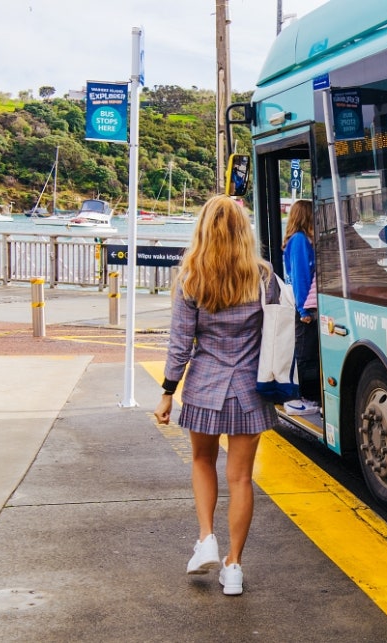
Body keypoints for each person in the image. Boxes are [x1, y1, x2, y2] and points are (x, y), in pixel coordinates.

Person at [153, 194, 278, 596]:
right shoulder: (262, 276)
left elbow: (179, 343)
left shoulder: (191, 276)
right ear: (244, 231)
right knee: (241, 478)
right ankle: (235, 567)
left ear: (203, 230)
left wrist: (168, 392)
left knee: (202, 461)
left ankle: (206, 538)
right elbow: (275, 333)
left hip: (205, 386)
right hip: (249, 391)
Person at [281, 199, 321, 415]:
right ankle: (309, 397)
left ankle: (311, 396)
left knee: (309, 352)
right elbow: (300, 277)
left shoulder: (301, 239)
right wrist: (303, 310)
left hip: (306, 304)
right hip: (305, 306)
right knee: (306, 353)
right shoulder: (300, 240)